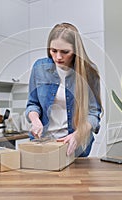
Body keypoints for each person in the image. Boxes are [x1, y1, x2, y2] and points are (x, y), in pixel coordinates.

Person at [25, 22, 102, 157]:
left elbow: (94, 112)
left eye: (65, 52)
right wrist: (35, 120)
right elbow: (33, 104)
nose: (58, 57)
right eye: (53, 51)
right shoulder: (39, 68)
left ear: (76, 51)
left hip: (74, 146)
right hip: (44, 144)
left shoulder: (89, 73)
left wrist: (78, 135)